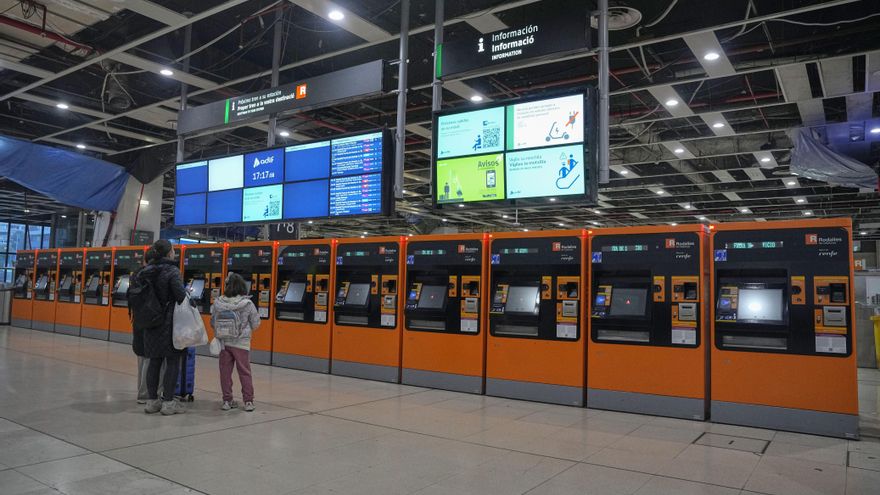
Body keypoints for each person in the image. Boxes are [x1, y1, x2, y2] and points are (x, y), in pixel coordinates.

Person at [138, 239, 188, 415]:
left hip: (150, 323)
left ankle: (152, 402)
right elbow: (180, 296)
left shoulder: (146, 271)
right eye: (173, 250)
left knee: (154, 361)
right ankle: (168, 403)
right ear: (169, 253)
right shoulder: (172, 270)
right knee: (172, 361)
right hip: (168, 323)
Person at [211, 273, 261, 412]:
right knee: (244, 372)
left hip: (224, 342)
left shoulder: (218, 303)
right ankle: (248, 402)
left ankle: (227, 401)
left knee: (225, 372)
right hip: (241, 343)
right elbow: (256, 323)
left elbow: (212, 322)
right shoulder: (247, 304)